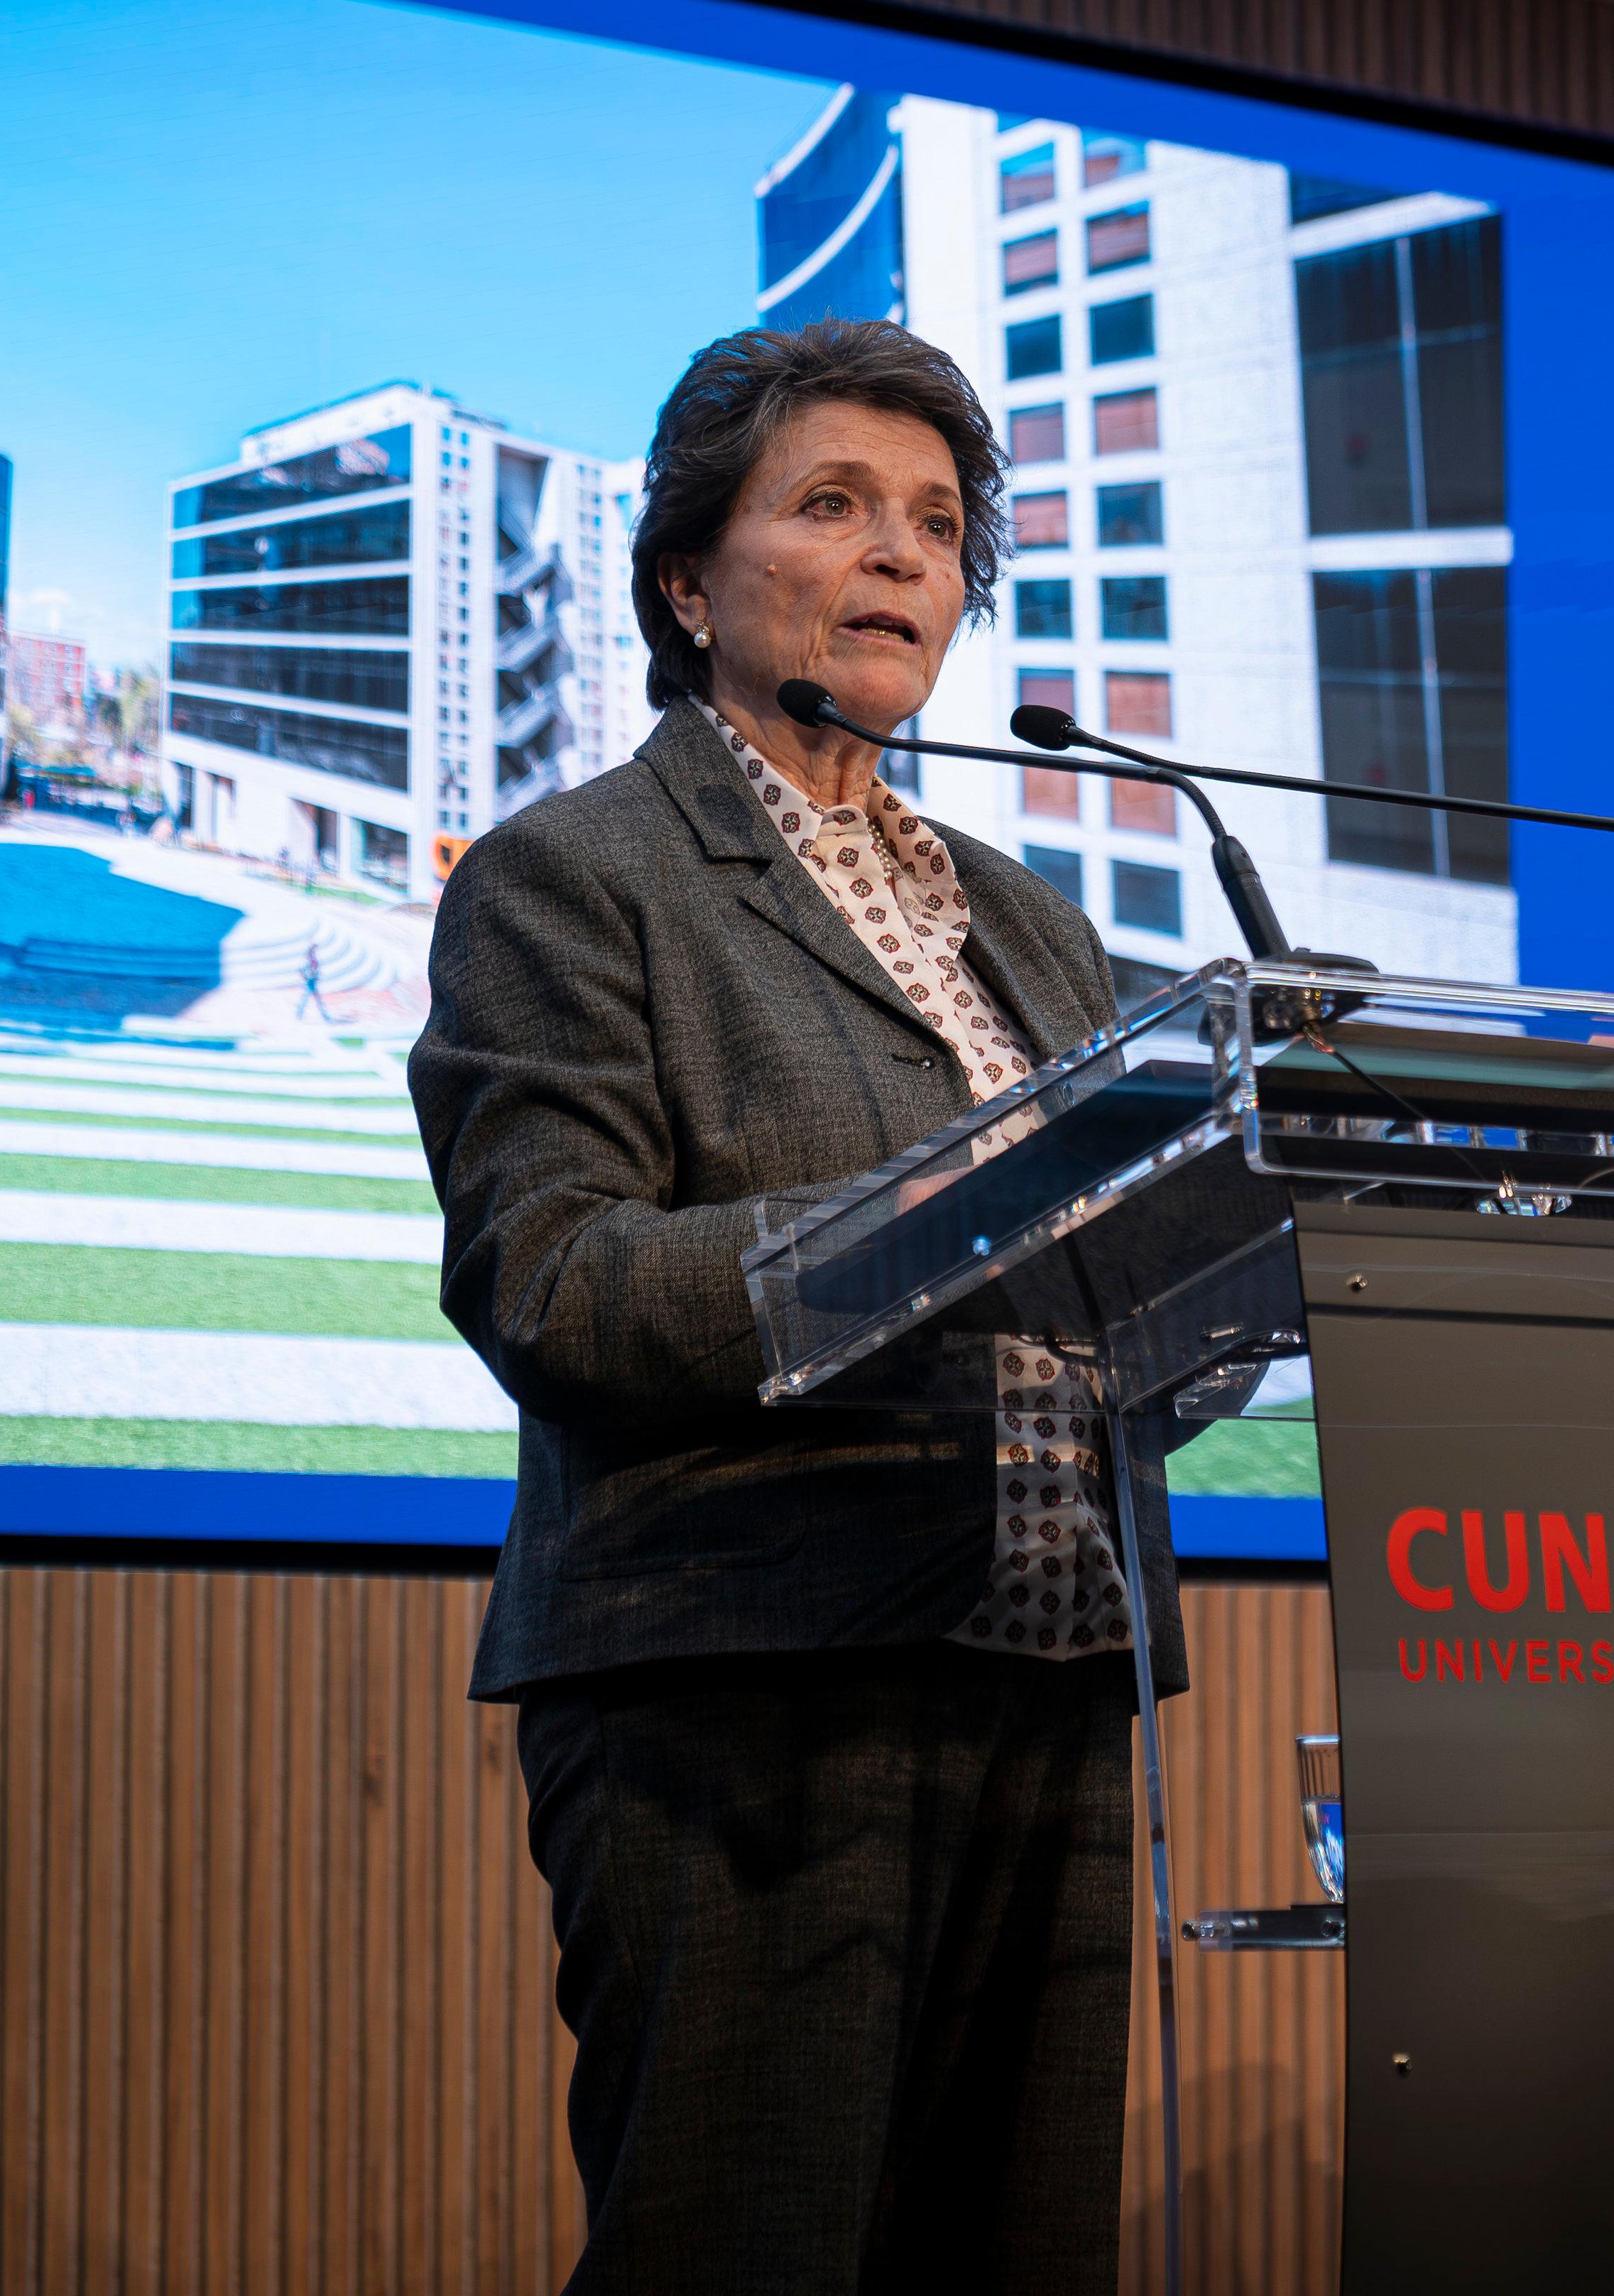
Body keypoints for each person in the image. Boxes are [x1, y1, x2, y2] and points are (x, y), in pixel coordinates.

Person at [409, 317, 1180, 2294]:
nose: (905, 556)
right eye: (833, 505)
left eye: (935, 523)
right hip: (746, 1694)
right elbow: (552, 1278)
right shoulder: (573, 879)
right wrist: (945, 1224)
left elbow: (1113, 1304)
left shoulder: (1040, 924)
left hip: (1055, 1670)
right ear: (689, 579)